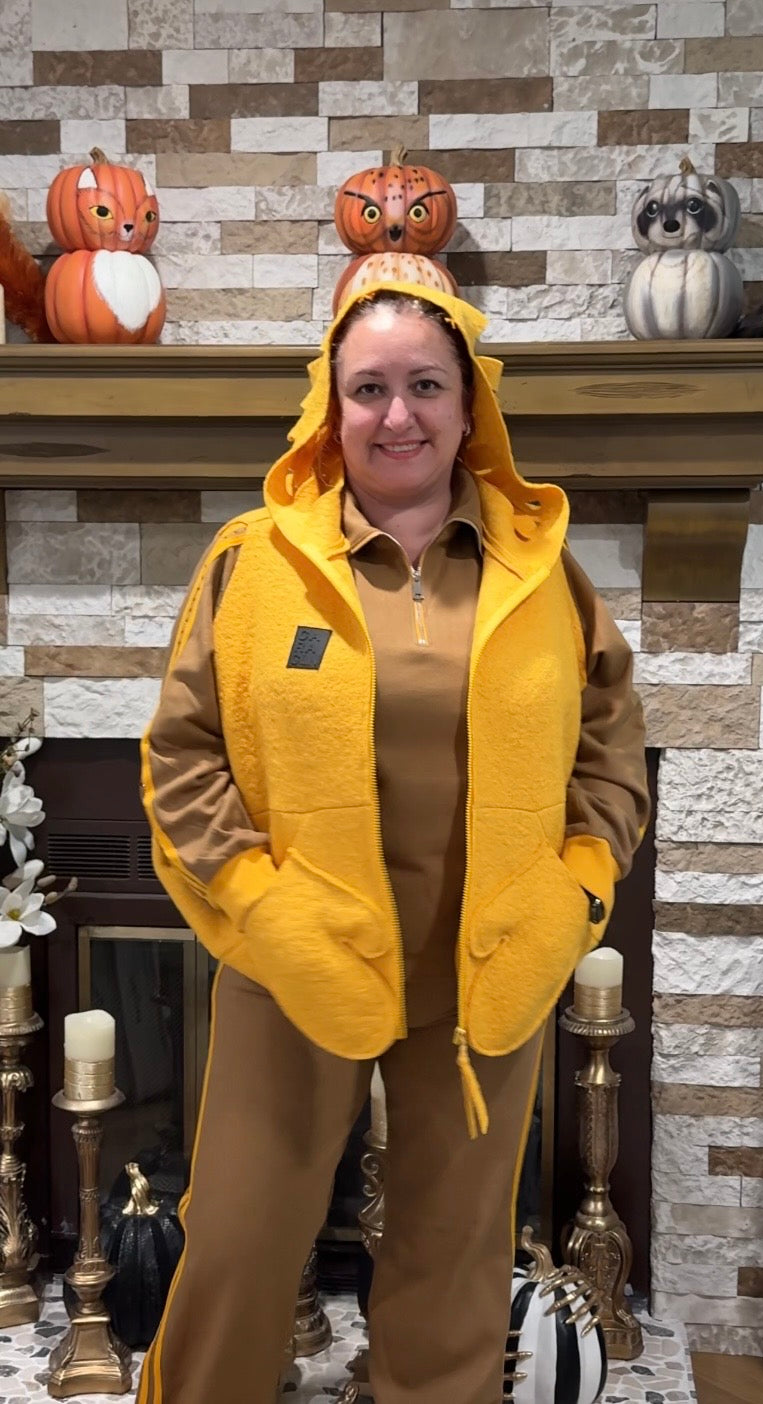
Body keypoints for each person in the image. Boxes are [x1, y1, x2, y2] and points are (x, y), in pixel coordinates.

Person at [137, 281, 649, 1404]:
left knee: (452, 1259)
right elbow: (182, 756)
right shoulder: (254, 561)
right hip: (295, 965)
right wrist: (260, 904)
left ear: (470, 408)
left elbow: (610, 750)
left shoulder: (543, 573)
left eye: (425, 385)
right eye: (368, 389)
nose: (398, 414)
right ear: (331, 409)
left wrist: (574, 887)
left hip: (484, 978)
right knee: (235, 1245)